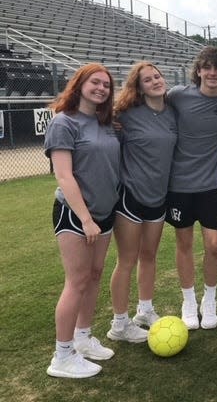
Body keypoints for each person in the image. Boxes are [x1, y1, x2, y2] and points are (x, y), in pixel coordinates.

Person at [44, 63, 120, 378]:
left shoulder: (106, 123)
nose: (101, 88)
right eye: (94, 82)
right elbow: (64, 175)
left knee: (94, 275)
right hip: (77, 216)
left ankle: (83, 339)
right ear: (79, 84)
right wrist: (86, 219)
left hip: (104, 214)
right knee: (76, 282)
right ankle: (62, 357)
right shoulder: (65, 122)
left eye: (106, 85)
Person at [165, 46, 217, 330]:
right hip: (178, 187)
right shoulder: (178, 96)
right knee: (184, 244)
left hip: (210, 186)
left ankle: (209, 300)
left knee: (212, 245)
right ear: (198, 71)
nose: (212, 73)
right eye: (207, 67)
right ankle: (188, 300)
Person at [107, 62, 177, 343]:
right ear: (139, 87)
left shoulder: (173, 113)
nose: (155, 82)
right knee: (126, 260)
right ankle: (119, 324)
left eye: (157, 76)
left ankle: (144, 311)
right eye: (147, 80)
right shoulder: (125, 115)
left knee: (149, 256)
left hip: (158, 197)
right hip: (131, 196)